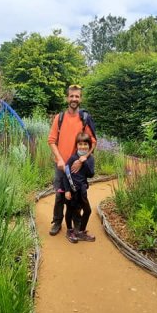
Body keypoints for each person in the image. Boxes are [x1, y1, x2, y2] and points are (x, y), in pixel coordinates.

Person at [47, 84, 97, 236]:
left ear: (80, 99)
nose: (74, 99)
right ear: (67, 98)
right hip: (61, 165)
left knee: (76, 195)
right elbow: (51, 140)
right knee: (60, 195)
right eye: (71, 96)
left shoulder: (84, 118)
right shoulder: (59, 118)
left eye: (77, 96)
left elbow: (92, 142)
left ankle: (76, 222)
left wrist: (83, 158)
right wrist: (60, 159)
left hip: (77, 167)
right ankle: (57, 222)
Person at [62, 132, 95, 243]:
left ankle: (81, 232)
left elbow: (91, 174)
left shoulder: (90, 159)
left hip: (82, 191)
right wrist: (67, 190)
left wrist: (84, 162)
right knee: (70, 211)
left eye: (85, 144)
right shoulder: (72, 158)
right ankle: (69, 231)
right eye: (80, 144)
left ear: (89, 146)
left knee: (87, 210)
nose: (83, 147)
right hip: (72, 190)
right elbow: (65, 175)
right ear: (77, 145)